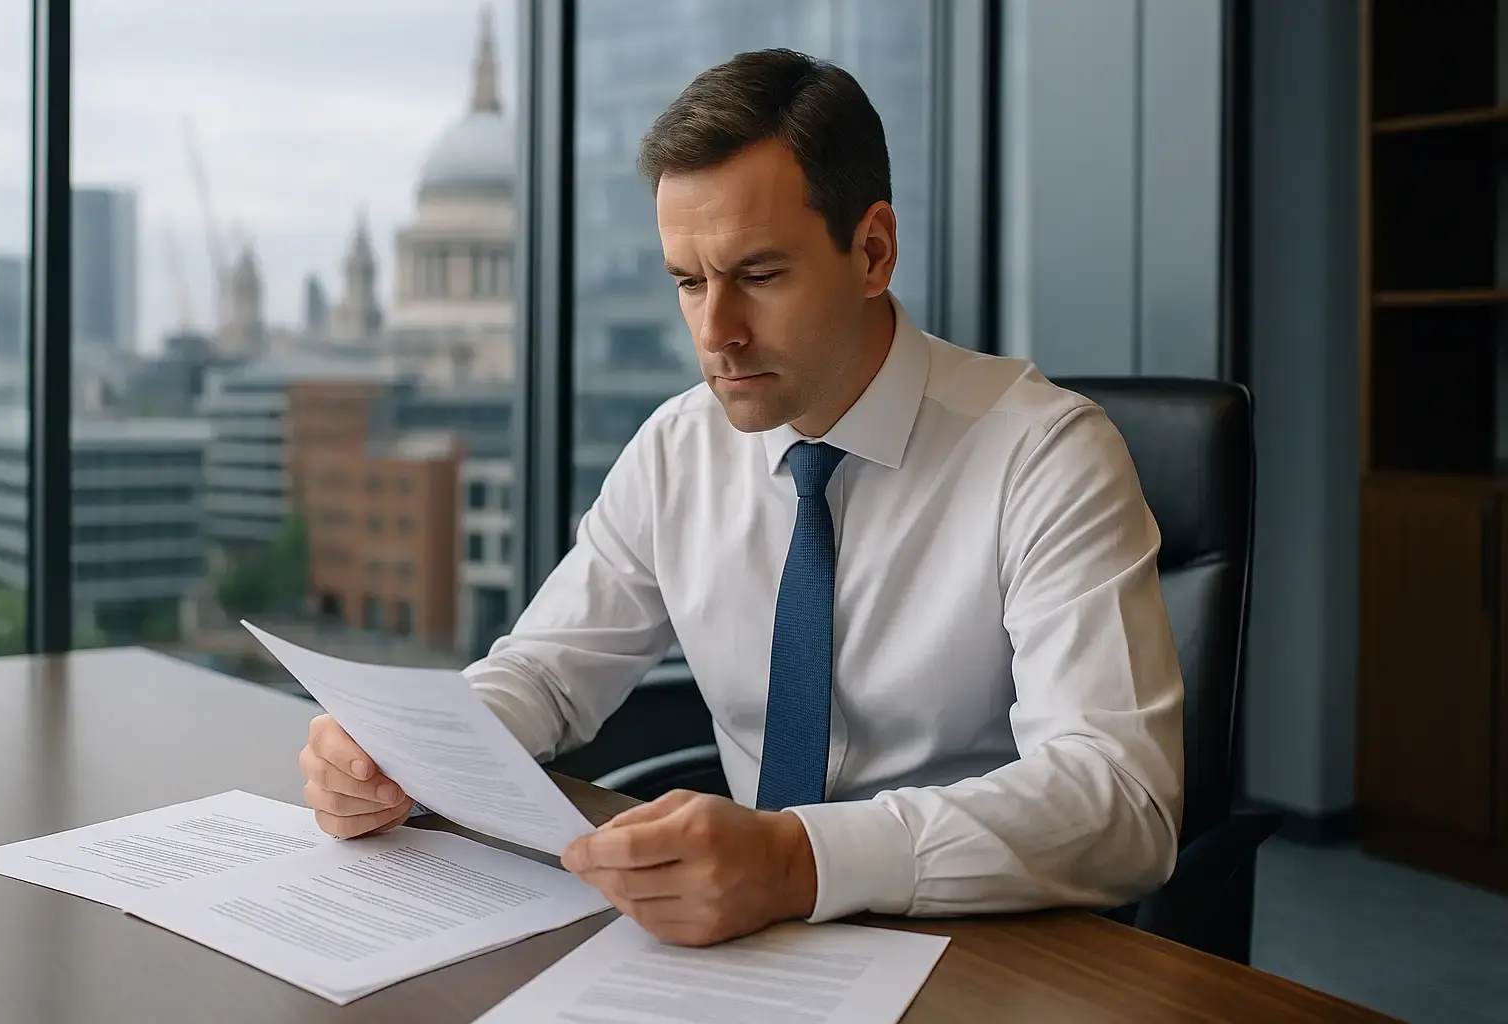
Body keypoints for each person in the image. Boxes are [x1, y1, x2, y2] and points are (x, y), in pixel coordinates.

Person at [299, 48, 1184, 948]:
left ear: (872, 252)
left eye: (758, 276)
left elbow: (1124, 801)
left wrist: (798, 861)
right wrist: (409, 750)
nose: (716, 333)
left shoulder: (1045, 455)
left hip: (991, 947)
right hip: (744, 939)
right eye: (689, 282)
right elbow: (546, 673)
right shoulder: (678, 449)